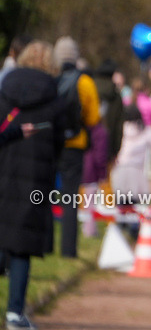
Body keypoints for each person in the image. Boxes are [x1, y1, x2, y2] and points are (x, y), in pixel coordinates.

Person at [0, 41, 65, 330]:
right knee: (22, 245)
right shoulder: (54, 99)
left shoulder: (5, 91)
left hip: (4, 169)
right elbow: (60, 140)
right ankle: (15, 313)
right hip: (36, 176)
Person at [53, 36, 101, 259]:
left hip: (51, 143)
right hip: (75, 144)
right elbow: (93, 118)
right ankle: (68, 250)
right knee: (70, 198)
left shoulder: (51, 78)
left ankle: (43, 245)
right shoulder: (85, 82)